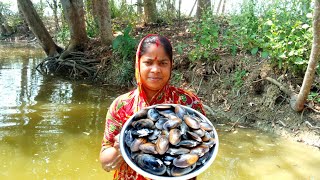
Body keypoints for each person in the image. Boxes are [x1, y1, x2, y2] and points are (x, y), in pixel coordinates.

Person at [99, 34, 205, 180]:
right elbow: (105, 163)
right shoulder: (121, 105)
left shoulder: (188, 102)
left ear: (171, 65)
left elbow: (204, 148)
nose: (155, 69)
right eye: (148, 62)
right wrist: (120, 148)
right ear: (138, 64)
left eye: (163, 63)